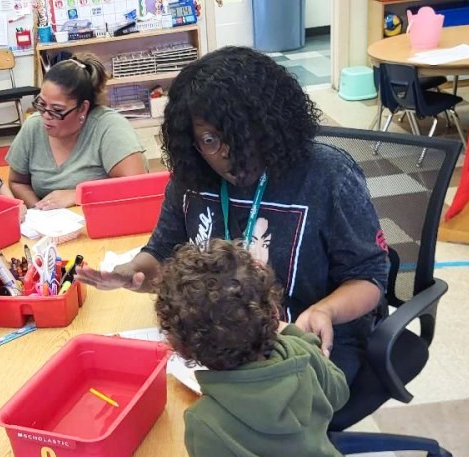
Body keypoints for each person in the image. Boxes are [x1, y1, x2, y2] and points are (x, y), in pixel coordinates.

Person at [77, 46, 389, 384]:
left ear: (271, 124)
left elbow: (370, 277)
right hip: (219, 349)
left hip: (307, 346)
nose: (228, 153)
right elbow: (162, 254)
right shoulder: (191, 178)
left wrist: (325, 310)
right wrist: (133, 273)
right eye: (210, 139)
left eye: (241, 137)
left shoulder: (326, 175)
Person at [156, 239, 364, 457]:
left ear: (182, 348)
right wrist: (296, 334)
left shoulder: (209, 421)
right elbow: (338, 393)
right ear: (272, 310)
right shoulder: (298, 349)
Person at [6, 53, 148, 210]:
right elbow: (17, 181)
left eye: (57, 110)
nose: (46, 115)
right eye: (41, 104)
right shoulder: (33, 127)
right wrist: (40, 211)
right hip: (54, 228)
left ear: (82, 108)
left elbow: (137, 186)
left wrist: (78, 195)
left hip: (103, 218)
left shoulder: (109, 127)